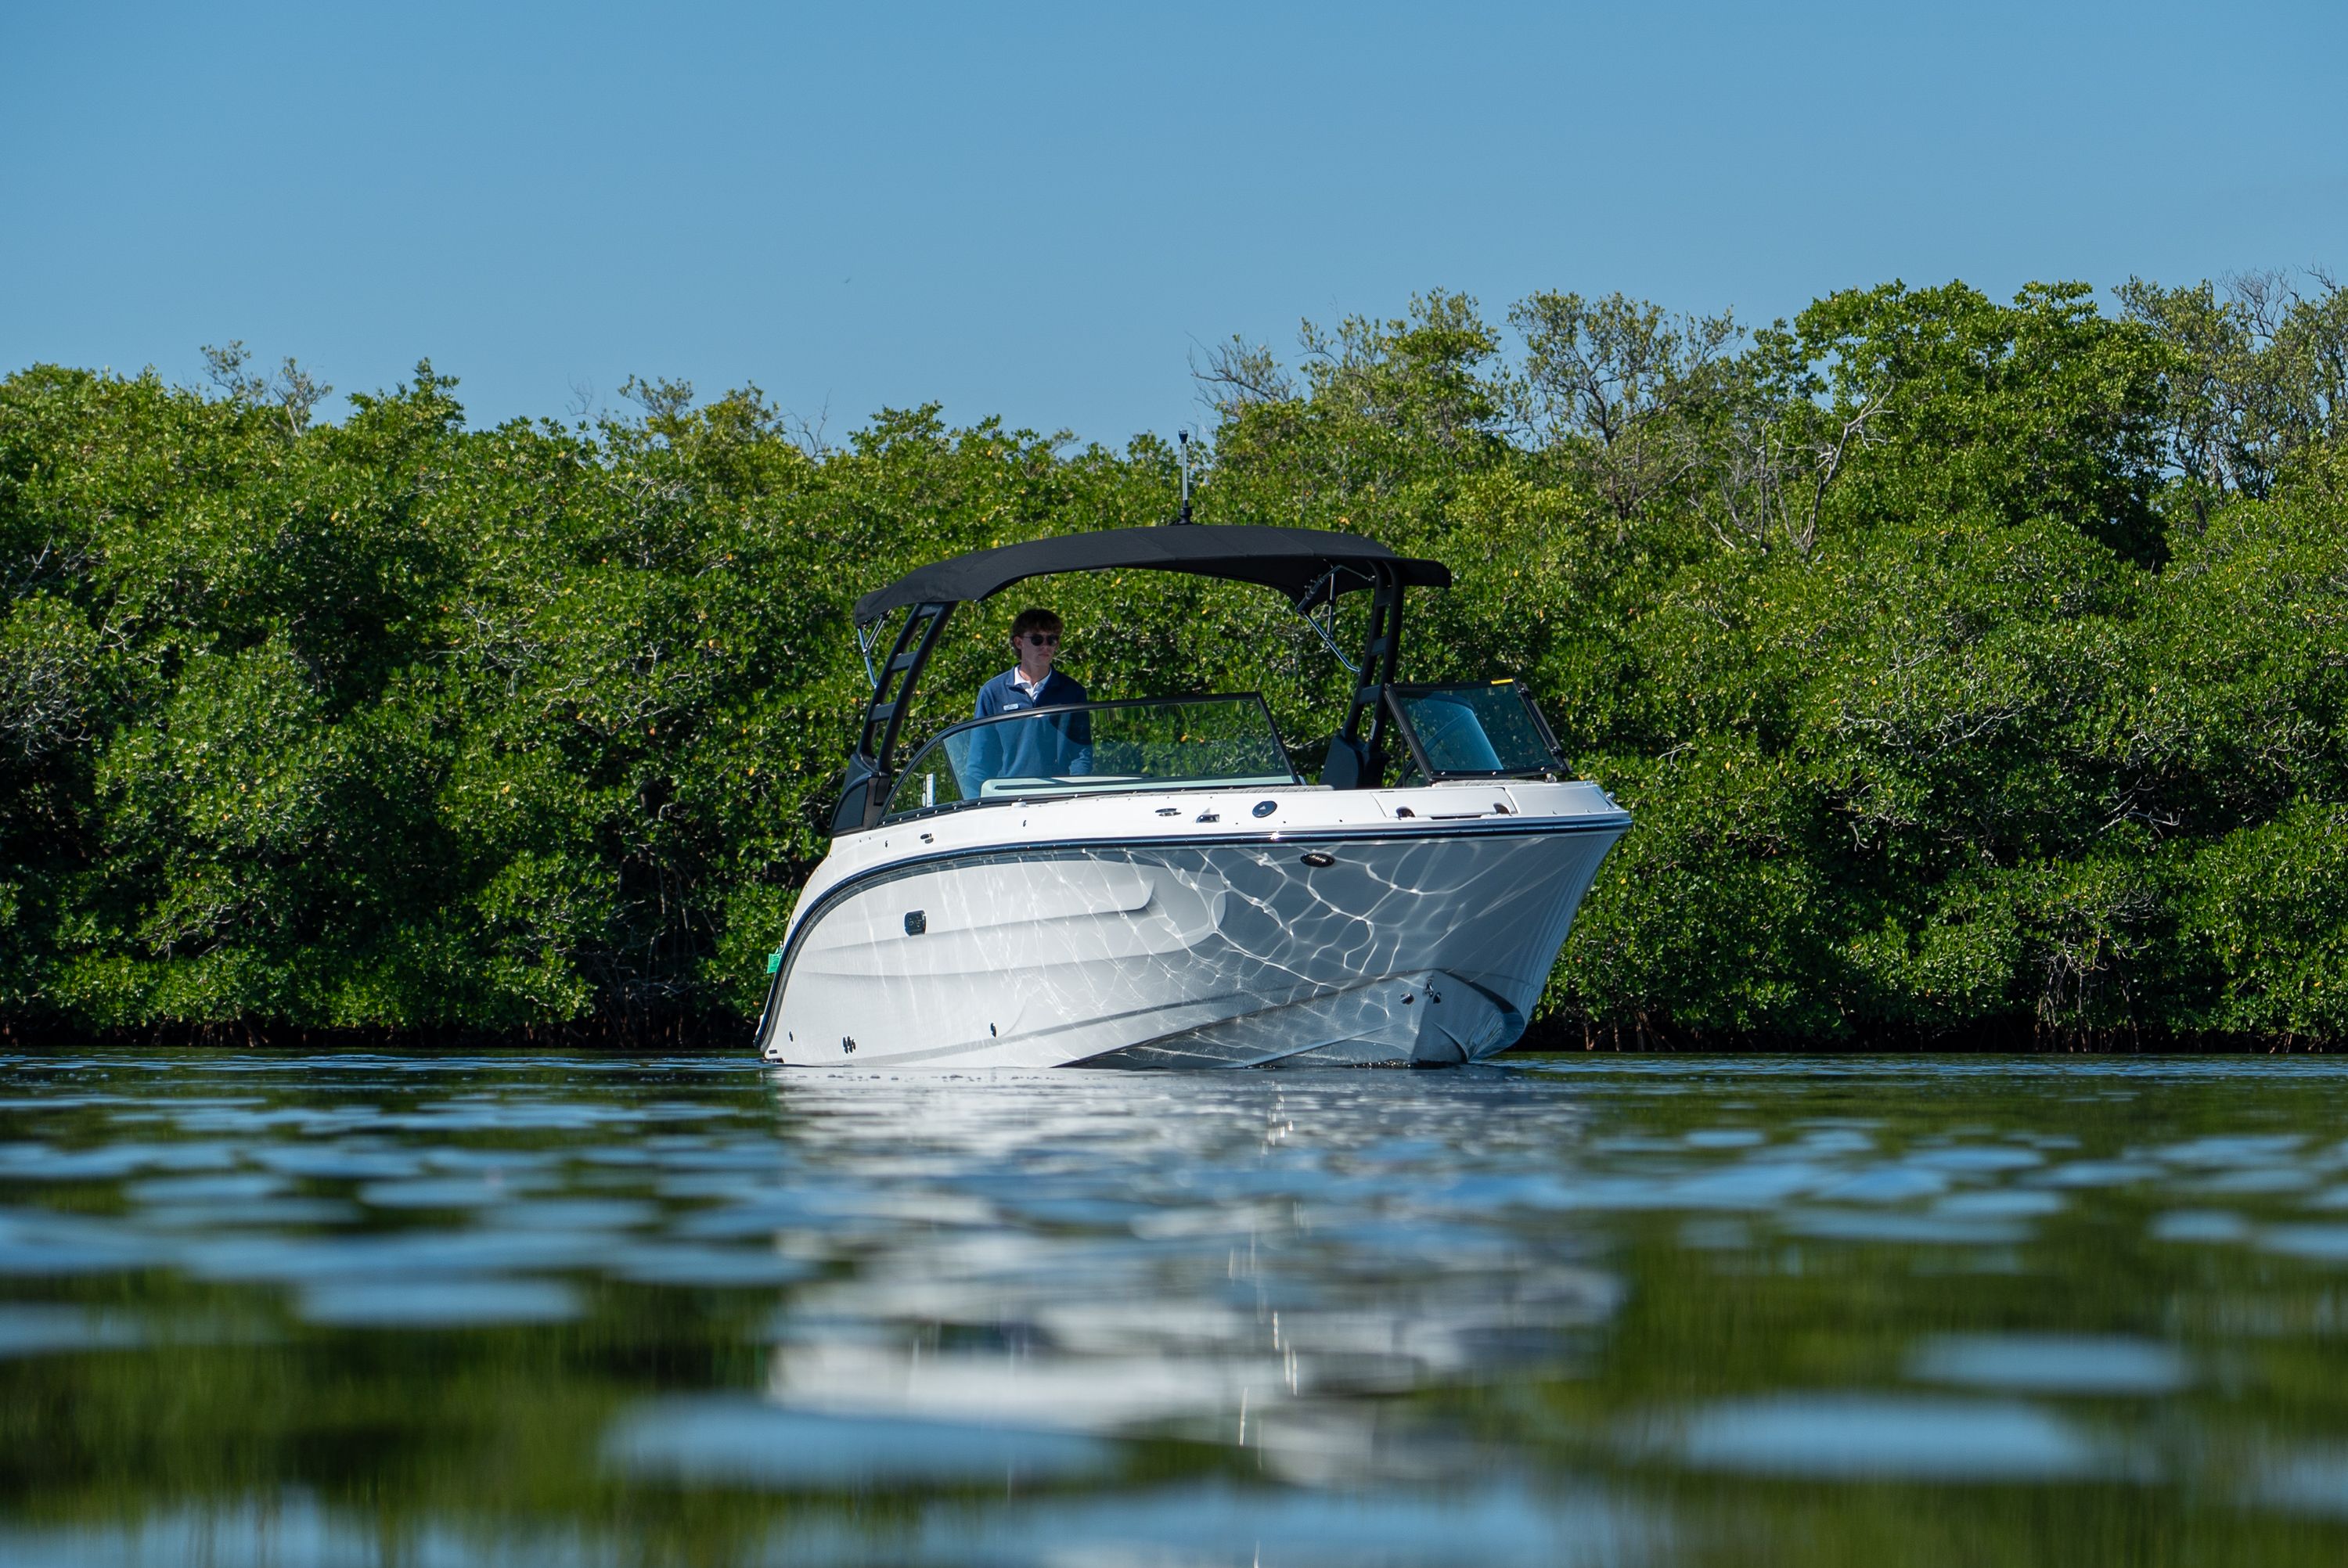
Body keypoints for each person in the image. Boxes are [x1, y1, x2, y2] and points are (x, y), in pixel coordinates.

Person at [963, 608, 1091, 790]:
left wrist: (1076, 792)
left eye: (1052, 640)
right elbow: (979, 761)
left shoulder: (1073, 692)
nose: (1045, 646)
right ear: (1019, 642)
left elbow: (1081, 754)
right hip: (1008, 796)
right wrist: (976, 801)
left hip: (1059, 794)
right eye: (1037, 640)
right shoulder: (993, 692)